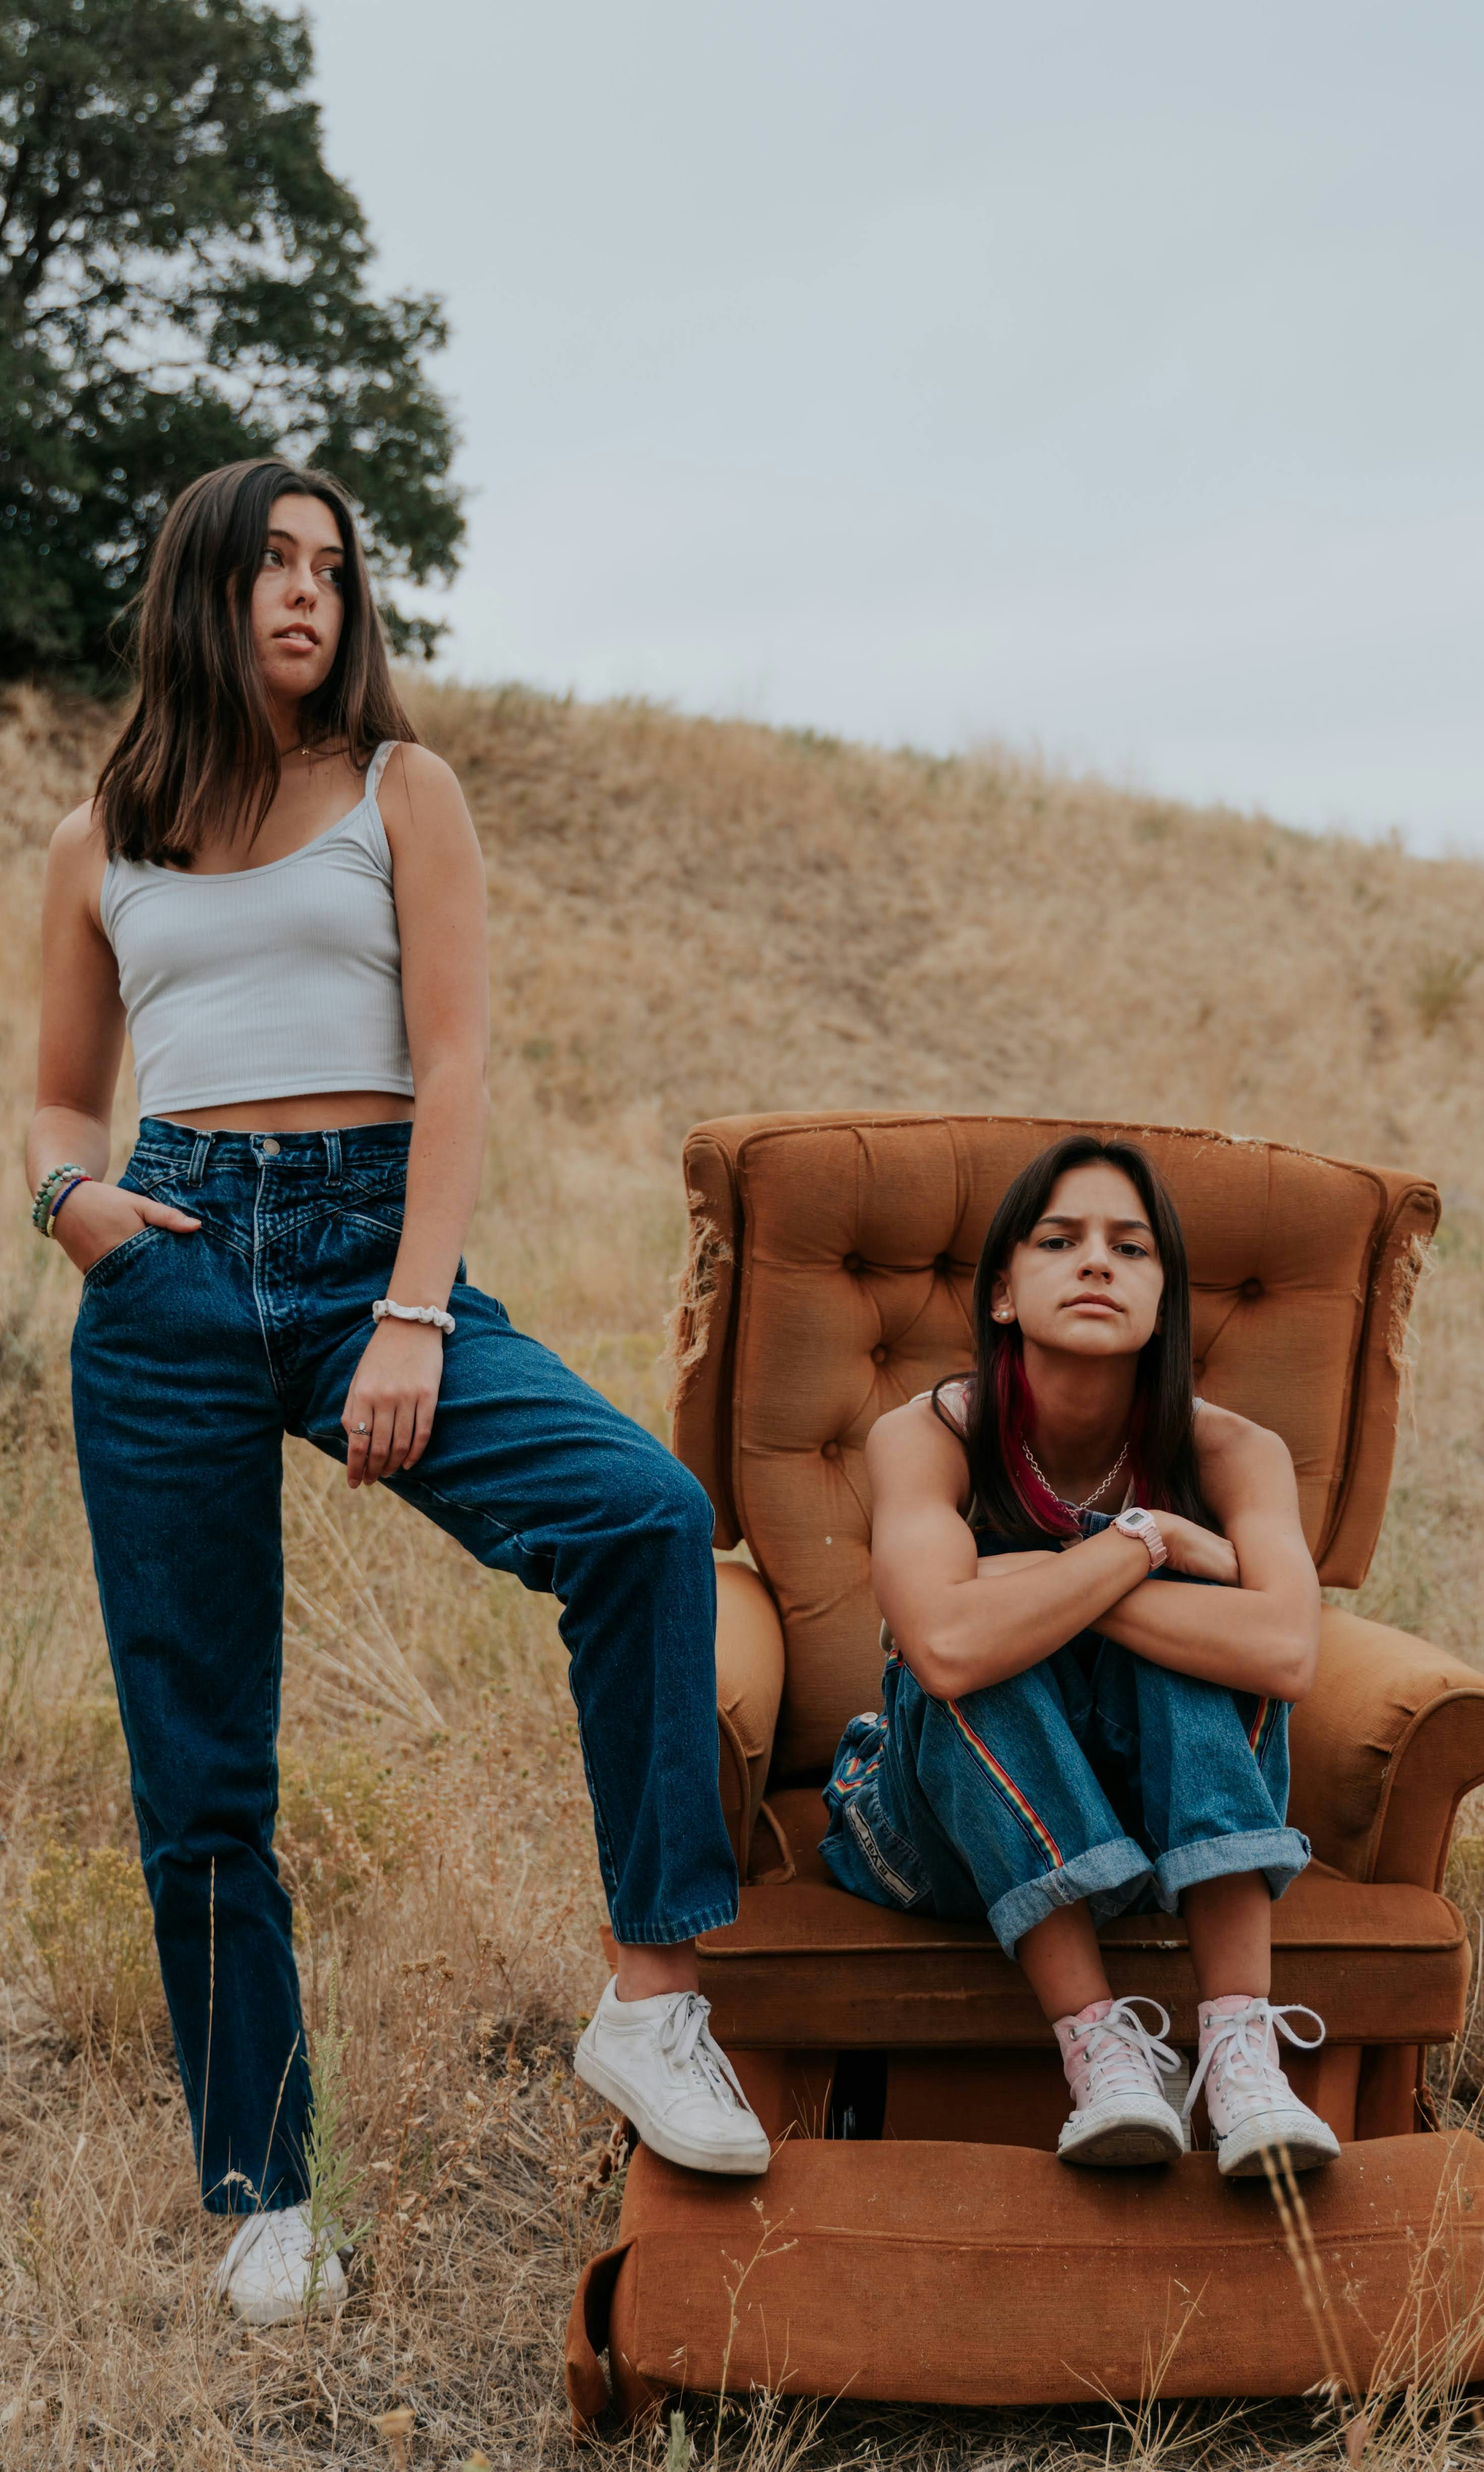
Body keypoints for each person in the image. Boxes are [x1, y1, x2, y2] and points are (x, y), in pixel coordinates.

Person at [27, 457, 767, 2328]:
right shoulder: (98, 833)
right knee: (200, 1763)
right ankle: (268, 2192)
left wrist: (416, 1318)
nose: (311, 596)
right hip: (173, 1263)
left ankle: (652, 2000)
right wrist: (73, 1202)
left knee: (639, 1514)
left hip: (374, 1248)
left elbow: (456, 1060)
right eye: (274, 564)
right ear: (200, 582)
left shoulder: (397, 791)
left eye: (334, 570)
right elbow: (54, 1095)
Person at [821, 1134, 1341, 2177]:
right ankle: (1101, 2051)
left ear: (1163, 1299)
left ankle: (1241, 2050)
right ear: (1004, 1291)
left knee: (1191, 1636)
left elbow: (1286, 1649)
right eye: (1060, 1240)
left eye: (1130, 1247)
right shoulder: (925, 1434)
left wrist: (1046, 1584)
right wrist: (1150, 1546)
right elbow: (950, 1647)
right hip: (937, 1832)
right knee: (992, 1658)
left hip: (1155, 1836)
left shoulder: (1236, 1450)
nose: (1097, 1261)